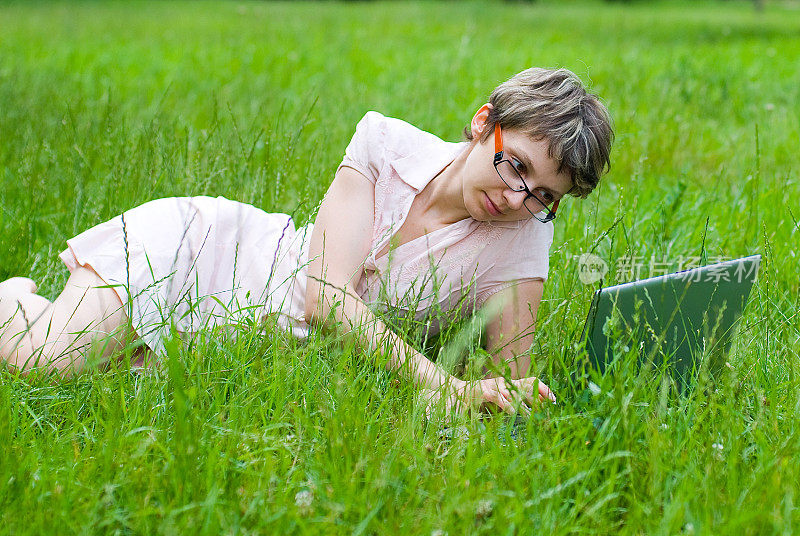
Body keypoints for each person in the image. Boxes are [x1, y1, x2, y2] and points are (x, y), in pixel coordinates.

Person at [0, 67, 613, 415]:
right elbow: (323, 294)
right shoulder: (384, 145)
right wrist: (445, 387)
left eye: (544, 196)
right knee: (39, 367)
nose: (517, 199)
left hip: (256, 347)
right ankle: (16, 302)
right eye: (517, 166)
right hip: (211, 254)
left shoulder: (524, 243)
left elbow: (510, 386)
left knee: (113, 381)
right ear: (485, 125)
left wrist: (509, 394)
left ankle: (58, 317)